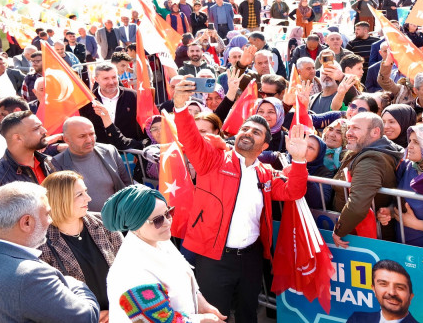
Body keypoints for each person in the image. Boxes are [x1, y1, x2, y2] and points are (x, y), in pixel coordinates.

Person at [170, 76, 309, 322]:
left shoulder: (265, 173)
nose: (247, 132)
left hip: (251, 258)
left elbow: (293, 192)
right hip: (214, 258)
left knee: (248, 314)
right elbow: (190, 138)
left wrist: (298, 160)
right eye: (245, 128)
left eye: (256, 132)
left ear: (265, 144)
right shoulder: (212, 160)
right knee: (214, 316)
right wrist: (180, 108)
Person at [0, 181, 100, 322]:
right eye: (47, 214)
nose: (50, 220)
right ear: (26, 222)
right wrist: (74, 283)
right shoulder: (31, 276)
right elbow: (86, 317)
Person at [102, 185, 226, 322]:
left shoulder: (159, 239)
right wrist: (203, 320)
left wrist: (201, 302)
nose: (167, 222)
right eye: (157, 220)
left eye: (168, 213)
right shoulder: (131, 272)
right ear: (135, 226)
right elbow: (157, 319)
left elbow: (184, 277)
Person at [38, 171, 123, 323]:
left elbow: (127, 266)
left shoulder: (104, 224)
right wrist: (89, 316)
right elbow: (48, 298)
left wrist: (121, 309)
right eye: (79, 195)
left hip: (122, 312)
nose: (88, 198)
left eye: (86, 192)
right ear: (60, 200)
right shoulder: (41, 243)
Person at [332, 112, 404, 246]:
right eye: (349, 128)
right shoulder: (363, 151)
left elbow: (357, 205)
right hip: (359, 232)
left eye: (356, 128)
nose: (349, 133)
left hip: (362, 236)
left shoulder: (372, 159)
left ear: (375, 132)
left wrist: (339, 231)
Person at [52, 117, 132, 211]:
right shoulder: (56, 164)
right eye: (82, 136)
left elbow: (126, 184)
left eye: (92, 134)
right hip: (87, 222)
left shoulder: (109, 151)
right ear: (67, 140)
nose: (89, 140)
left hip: (119, 217)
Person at [0, 110, 54, 202]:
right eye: (36, 128)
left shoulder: (50, 162)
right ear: (18, 138)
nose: (44, 131)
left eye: (41, 126)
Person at [79, 63, 143, 148]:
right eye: (106, 78)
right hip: (102, 153)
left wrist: (139, 146)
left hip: (131, 152)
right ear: (96, 79)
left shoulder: (132, 96)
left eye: (114, 77)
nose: (111, 82)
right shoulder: (88, 101)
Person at [347, 260, 418, 323]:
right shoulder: (357, 319)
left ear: (410, 297)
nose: (392, 292)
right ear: (374, 289)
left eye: (399, 287)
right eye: (383, 284)